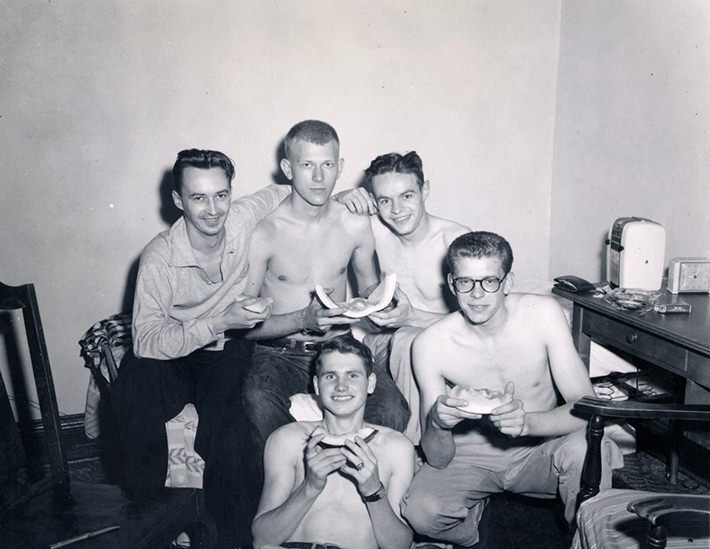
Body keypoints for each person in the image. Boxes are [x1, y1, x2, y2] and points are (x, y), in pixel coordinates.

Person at [111, 149, 289, 549]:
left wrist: (348, 194)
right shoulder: (159, 257)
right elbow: (145, 341)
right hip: (174, 351)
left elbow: (283, 190)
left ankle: (233, 536)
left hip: (226, 350)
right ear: (177, 201)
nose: (213, 210)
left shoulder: (242, 216)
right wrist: (217, 320)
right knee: (134, 388)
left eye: (221, 195)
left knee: (229, 420)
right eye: (198, 198)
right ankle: (151, 522)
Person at [400, 231, 622, 547]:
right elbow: (437, 459)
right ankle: (475, 533)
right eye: (465, 282)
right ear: (452, 284)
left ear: (508, 282)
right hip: (472, 453)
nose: (477, 294)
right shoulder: (429, 345)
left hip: (540, 448)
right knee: (421, 512)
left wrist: (529, 423)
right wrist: (437, 423)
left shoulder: (542, 314)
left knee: (588, 451)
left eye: (489, 281)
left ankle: (583, 539)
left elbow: (587, 408)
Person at [242, 120, 410, 468]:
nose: (319, 178)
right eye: (307, 165)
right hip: (278, 353)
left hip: (339, 344)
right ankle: (295, 489)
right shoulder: (265, 232)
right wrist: (302, 319)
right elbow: (244, 326)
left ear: (340, 167)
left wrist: (387, 302)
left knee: (393, 408)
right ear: (288, 168)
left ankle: (357, 492)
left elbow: (368, 289)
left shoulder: (354, 224)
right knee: (257, 398)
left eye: (328, 165)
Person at [252, 335, 415, 549]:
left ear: (371, 383)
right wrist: (309, 487)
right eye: (330, 376)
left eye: (353, 376)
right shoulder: (287, 439)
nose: (341, 386)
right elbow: (262, 539)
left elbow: (400, 545)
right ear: (317, 386)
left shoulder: (397, 447)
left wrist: (374, 492)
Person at [358, 151, 470, 443]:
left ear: (425, 190)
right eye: (385, 200)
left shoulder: (454, 240)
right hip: (385, 342)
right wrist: (345, 197)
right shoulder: (375, 231)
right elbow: (322, 214)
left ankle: (417, 448)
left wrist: (412, 318)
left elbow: (478, 323)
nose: (396, 210)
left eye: (406, 196)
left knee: (409, 338)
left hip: (444, 341)